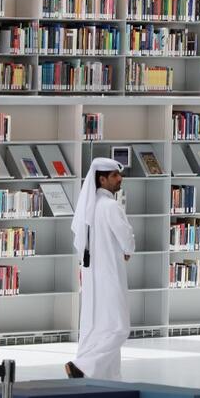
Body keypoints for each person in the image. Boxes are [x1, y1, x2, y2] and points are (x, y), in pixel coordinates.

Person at [66, 158, 135, 380]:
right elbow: (127, 239)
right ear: (102, 179)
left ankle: (108, 380)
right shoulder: (111, 206)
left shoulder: (89, 207)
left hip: (91, 276)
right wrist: (127, 250)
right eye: (114, 175)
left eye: (118, 174)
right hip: (110, 273)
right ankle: (83, 365)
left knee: (97, 328)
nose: (119, 178)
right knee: (119, 327)